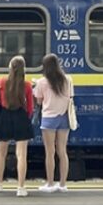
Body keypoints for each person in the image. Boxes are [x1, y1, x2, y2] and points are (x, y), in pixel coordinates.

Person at [0, 55, 34, 197]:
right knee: (21, 155)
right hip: (21, 117)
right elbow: (30, 108)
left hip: (4, 117)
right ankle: (21, 188)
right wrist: (25, 117)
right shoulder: (27, 85)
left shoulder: (0, 82)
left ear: (10, 67)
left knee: (1, 153)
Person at [34, 53, 73, 193]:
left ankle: (50, 183)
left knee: (49, 152)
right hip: (64, 117)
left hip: (49, 118)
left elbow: (38, 101)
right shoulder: (67, 79)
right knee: (62, 151)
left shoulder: (42, 82)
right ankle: (62, 184)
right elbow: (70, 96)